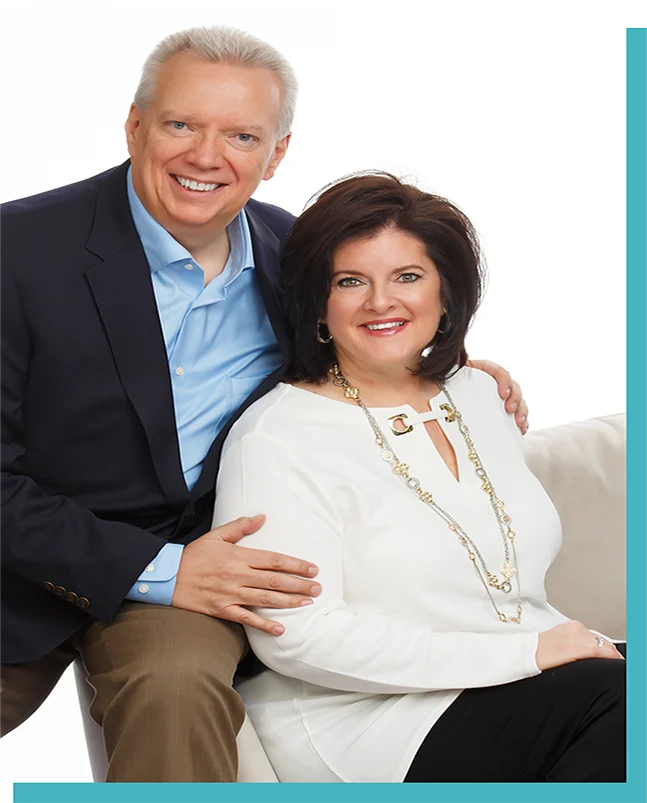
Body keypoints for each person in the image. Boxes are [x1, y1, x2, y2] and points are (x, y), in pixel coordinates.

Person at [0, 26, 527, 783]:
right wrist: (156, 567)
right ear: (134, 125)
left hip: (200, 577)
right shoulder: (18, 251)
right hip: (22, 562)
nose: (205, 157)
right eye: (182, 124)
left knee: (176, 689)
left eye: (240, 134)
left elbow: (364, 338)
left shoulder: (295, 253)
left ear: (275, 154)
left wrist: (452, 366)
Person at [212, 172, 626, 783]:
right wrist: (526, 654)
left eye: (407, 276)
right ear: (319, 305)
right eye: (351, 281)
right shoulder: (278, 437)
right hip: (373, 723)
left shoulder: (479, 393)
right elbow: (294, 637)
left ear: (446, 292)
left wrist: (537, 652)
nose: (382, 301)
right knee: (621, 704)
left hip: (529, 678)